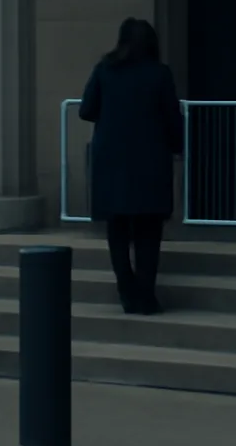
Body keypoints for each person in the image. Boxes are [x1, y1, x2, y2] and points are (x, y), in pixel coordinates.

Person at [79, 18, 184, 315]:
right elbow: (172, 118)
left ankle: (127, 292)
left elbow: (86, 110)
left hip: (111, 160)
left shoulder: (105, 70)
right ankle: (146, 296)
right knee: (148, 233)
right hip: (150, 160)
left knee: (118, 231)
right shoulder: (159, 74)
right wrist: (178, 147)